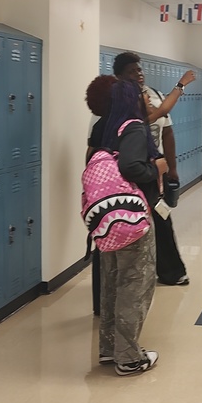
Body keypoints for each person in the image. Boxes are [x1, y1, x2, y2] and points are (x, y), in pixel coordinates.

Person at [96, 80, 166, 376]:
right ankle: (128, 358)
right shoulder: (135, 127)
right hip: (133, 219)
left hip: (109, 220)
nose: (149, 101)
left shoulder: (107, 127)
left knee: (112, 284)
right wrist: (157, 169)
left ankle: (109, 349)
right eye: (145, 97)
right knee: (134, 286)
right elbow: (131, 167)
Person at [113, 52, 194, 287]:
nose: (139, 74)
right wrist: (180, 85)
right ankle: (127, 279)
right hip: (130, 173)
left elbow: (166, 129)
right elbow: (156, 115)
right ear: (119, 76)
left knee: (162, 219)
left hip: (152, 172)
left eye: (139, 70)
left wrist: (172, 167)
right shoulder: (119, 105)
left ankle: (170, 271)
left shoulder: (152, 94)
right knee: (128, 224)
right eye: (132, 71)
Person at [85, 74, 117, 316]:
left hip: (99, 199)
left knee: (102, 249)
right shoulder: (124, 126)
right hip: (120, 199)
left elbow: (90, 157)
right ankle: (114, 307)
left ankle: (100, 304)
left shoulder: (98, 126)